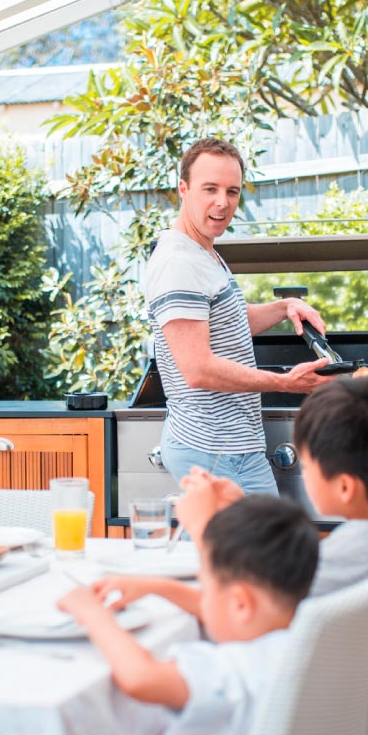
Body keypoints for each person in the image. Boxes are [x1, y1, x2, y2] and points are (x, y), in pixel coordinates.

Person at [56, 495, 318, 735]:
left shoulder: (229, 671)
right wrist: (156, 586)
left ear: (240, 603)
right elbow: (234, 612)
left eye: (204, 587)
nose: (202, 598)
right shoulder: (309, 646)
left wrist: (91, 613)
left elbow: (140, 677)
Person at [98, 373, 368, 614]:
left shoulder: (350, 552)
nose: (305, 476)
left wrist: (204, 528)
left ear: (344, 487)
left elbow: (235, 615)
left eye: (307, 468)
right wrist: (239, 508)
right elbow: (275, 576)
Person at [144, 137, 332, 496]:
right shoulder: (178, 263)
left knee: (254, 551)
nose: (222, 202)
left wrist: (283, 307)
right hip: (210, 449)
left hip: (235, 447)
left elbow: (227, 322)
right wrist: (283, 382)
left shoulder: (203, 252)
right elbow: (197, 369)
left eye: (232, 191)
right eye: (210, 189)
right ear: (183, 189)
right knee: (250, 552)